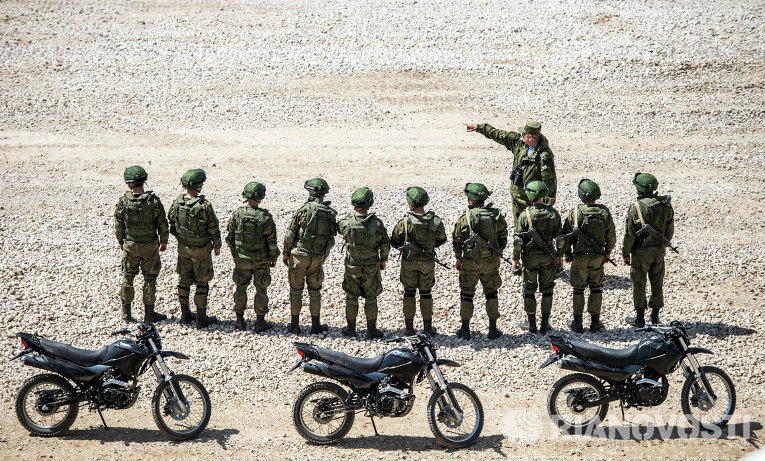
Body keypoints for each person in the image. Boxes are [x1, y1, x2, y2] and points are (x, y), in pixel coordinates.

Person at [464, 120, 557, 223]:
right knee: (518, 227)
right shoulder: (518, 143)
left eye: (524, 133)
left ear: (530, 137)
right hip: (516, 197)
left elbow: (550, 182)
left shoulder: (544, 156)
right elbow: (499, 134)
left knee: (532, 227)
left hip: (532, 200)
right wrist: (479, 127)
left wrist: (546, 205)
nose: (521, 135)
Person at [452, 183, 508, 340]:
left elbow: (457, 240)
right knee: (491, 293)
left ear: (470, 200)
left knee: (467, 295)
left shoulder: (466, 218)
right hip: (490, 262)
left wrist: (458, 258)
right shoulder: (496, 216)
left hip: (470, 264)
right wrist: (498, 254)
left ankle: (465, 329)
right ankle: (493, 329)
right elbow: (503, 237)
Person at [114, 166, 169, 323]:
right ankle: (149, 314)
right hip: (150, 246)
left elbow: (118, 224)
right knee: (150, 278)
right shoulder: (153, 201)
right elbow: (162, 224)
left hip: (130, 245)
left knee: (128, 277)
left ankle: (126, 314)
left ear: (128, 183)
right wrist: (164, 241)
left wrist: (121, 241)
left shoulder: (123, 201)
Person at [282, 178, 338, 335]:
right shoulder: (330, 214)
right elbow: (330, 240)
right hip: (316, 258)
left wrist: (286, 253)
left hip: (299, 256)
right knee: (315, 291)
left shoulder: (303, 210)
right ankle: (315, 326)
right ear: (324, 194)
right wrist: (322, 258)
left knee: (295, 291)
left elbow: (289, 235)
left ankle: (294, 325)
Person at [389, 187, 447, 336]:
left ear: (410, 203)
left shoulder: (405, 222)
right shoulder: (435, 221)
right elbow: (442, 239)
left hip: (409, 263)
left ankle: (409, 329)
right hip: (427, 262)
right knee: (426, 293)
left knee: (409, 293)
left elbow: (395, 241)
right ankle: (427, 328)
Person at [168, 169, 221, 329]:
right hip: (201, 250)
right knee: (202, 283)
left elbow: (172, 224)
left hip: (184, 249)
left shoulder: (177, 203)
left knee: (184, 281)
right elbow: (213, 228)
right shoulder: (204, 206)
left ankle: (185, 315)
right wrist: (217, 246)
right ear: (199, 186)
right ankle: (201, 318)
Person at [562, 179, 616, 333]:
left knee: (578, 289)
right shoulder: (604, 212)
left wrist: (567, 254)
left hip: (579, 257)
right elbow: (611, 235)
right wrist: (607, 252)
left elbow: (566, 237)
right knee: (596, 287)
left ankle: (577, 323)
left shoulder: (575, 213)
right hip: (597, 257)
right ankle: (594, 323)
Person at [622, 173, 675, 328]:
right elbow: (670, 230)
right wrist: (663, 246)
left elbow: (629, 234)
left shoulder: (637, 207)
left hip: (640, 253)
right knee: (657, 282)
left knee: (639, 282)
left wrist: (625, 253)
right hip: (658, 251)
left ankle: (640, 318)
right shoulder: (666, 205)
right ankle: (655, 316)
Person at [226, 182, 279, 333]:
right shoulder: (265, 217)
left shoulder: (237, 214)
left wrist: (234, 255)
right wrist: (273, 258)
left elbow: (230, 238)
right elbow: (272, 243)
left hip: (242, 259)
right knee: (261, 289)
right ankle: (260, 322)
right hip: (261, 261)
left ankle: (240, 320)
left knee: (240, 287)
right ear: (261, 197)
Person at [338, 187, 390, 339]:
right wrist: (383, 260)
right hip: (371, 265)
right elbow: (385, 244)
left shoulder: (346, 223)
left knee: (351, 296)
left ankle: (351, 328)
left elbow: (340, 229)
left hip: (352, 265)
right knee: (371, 297)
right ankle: (371, 330)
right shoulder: (377, 224)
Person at [512, 180, 563, 335]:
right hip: (548, 258)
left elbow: (517, 241)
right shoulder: (553, 213)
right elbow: (560, 238)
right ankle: (545, 324)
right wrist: (560, 256)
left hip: (530, 259)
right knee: (547, 290)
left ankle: (531, 324)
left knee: (529, 291)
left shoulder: (524, 215)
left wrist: (516, 258)